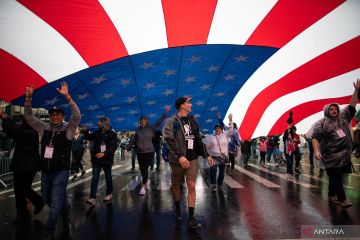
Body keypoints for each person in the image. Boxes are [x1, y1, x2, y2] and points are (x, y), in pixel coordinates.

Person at [24, 82, 80, 240]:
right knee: (47, 199)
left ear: (62, 117)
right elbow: (28, 116)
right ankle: (65, 209)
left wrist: (68, 97)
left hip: (61, 171)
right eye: (52, 115)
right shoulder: (44, 127)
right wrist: (29, 98)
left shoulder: (68, 129)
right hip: (46, 171)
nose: (55, 117)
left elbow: (76, 117)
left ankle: (49, 231)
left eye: (58, 114)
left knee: (55, 203)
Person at [162, 96, 214, 229]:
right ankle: (178, 208)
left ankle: (191, 217)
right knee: (176, 185)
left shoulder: (192, 120)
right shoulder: (171, 121)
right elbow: (168, 140)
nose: (191, 105)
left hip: (192, 158)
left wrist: (206, 155)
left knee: (191, 185)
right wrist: (179, 156)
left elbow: (197, 138)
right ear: (182, 105)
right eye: (188, 103)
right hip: (177, 160)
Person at [312, 79, 360, 209]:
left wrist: (356, 90)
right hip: (330, 157)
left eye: (335, 108)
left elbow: (352, 106)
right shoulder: (321, 123)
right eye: (331, 109)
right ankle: (343, 199)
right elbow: (315, 138)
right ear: (327, 111)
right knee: (337, 177)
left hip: (344, 156)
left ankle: (331, 194)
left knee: (335, 177)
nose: (334, 110)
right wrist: (316, 151)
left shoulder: (343, 118)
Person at [0, 113, 44, 224]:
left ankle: (37, 202)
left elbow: (13, 129)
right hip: (23, 166)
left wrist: (5, 118)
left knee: (22, 189)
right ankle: (22, 214)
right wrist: (7, 119)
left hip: (26, 166)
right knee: (20, 190)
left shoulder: (29, 133)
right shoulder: (29, 131)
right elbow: (14, 128)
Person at [127, 107, 169, 195]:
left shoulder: (151, 128)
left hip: (149, 151)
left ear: (147, 121)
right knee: (142, 169)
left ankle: (143, 187)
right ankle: (146, 182)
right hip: (140, 152)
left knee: (145, 169)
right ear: (140, 121)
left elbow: (159, 122)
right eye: (141, 120)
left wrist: (165, 113)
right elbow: (134, 140)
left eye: (144, 120)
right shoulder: (137, 130)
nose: (143, 121)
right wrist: (128, 147)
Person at [83, 117, 118, 205]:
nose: (98, 123)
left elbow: (113, 147)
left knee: (108, 177)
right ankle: (92, 197)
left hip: (106, 160)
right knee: (94, 178)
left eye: (100, 122)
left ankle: (109, 193)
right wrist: (85, 131)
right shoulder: (97, 132)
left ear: (104, 123)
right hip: (96, 160)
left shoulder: (112, 134)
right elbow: (89, 137)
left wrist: (104, 153)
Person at [203, 114, 234, 191]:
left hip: (223, 157)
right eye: (216, 128)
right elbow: (204, 143)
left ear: (221, 129)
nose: (217, 130)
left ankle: (219, 184)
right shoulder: (211, 137)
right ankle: (213, 184)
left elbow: (231, 130)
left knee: (221, 172)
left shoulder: (225, 135)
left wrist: (230, 120)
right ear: (215, 129)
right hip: (213, 156)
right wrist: (207, 147)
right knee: (213, 171)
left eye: (219, 128)